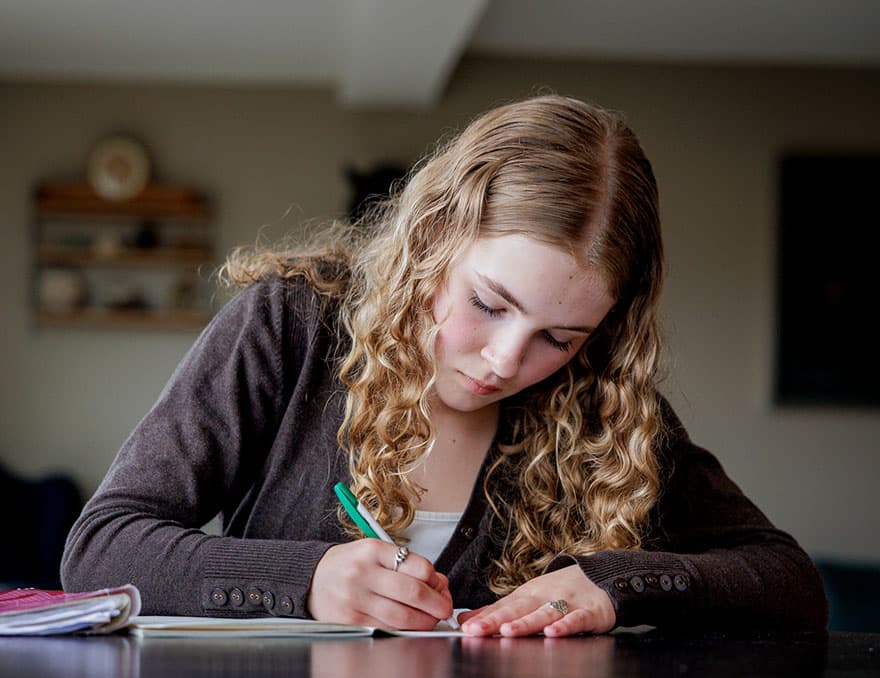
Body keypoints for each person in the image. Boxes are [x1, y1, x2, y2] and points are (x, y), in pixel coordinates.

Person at [61, 95, 828, 636]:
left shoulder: (605, 401)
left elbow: (789, 580)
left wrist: (613, 584)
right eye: (489, 304)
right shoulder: (291, 326)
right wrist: (310, 580)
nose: (505, 361)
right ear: (432, 239)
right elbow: (100, 549)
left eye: (559, 338)